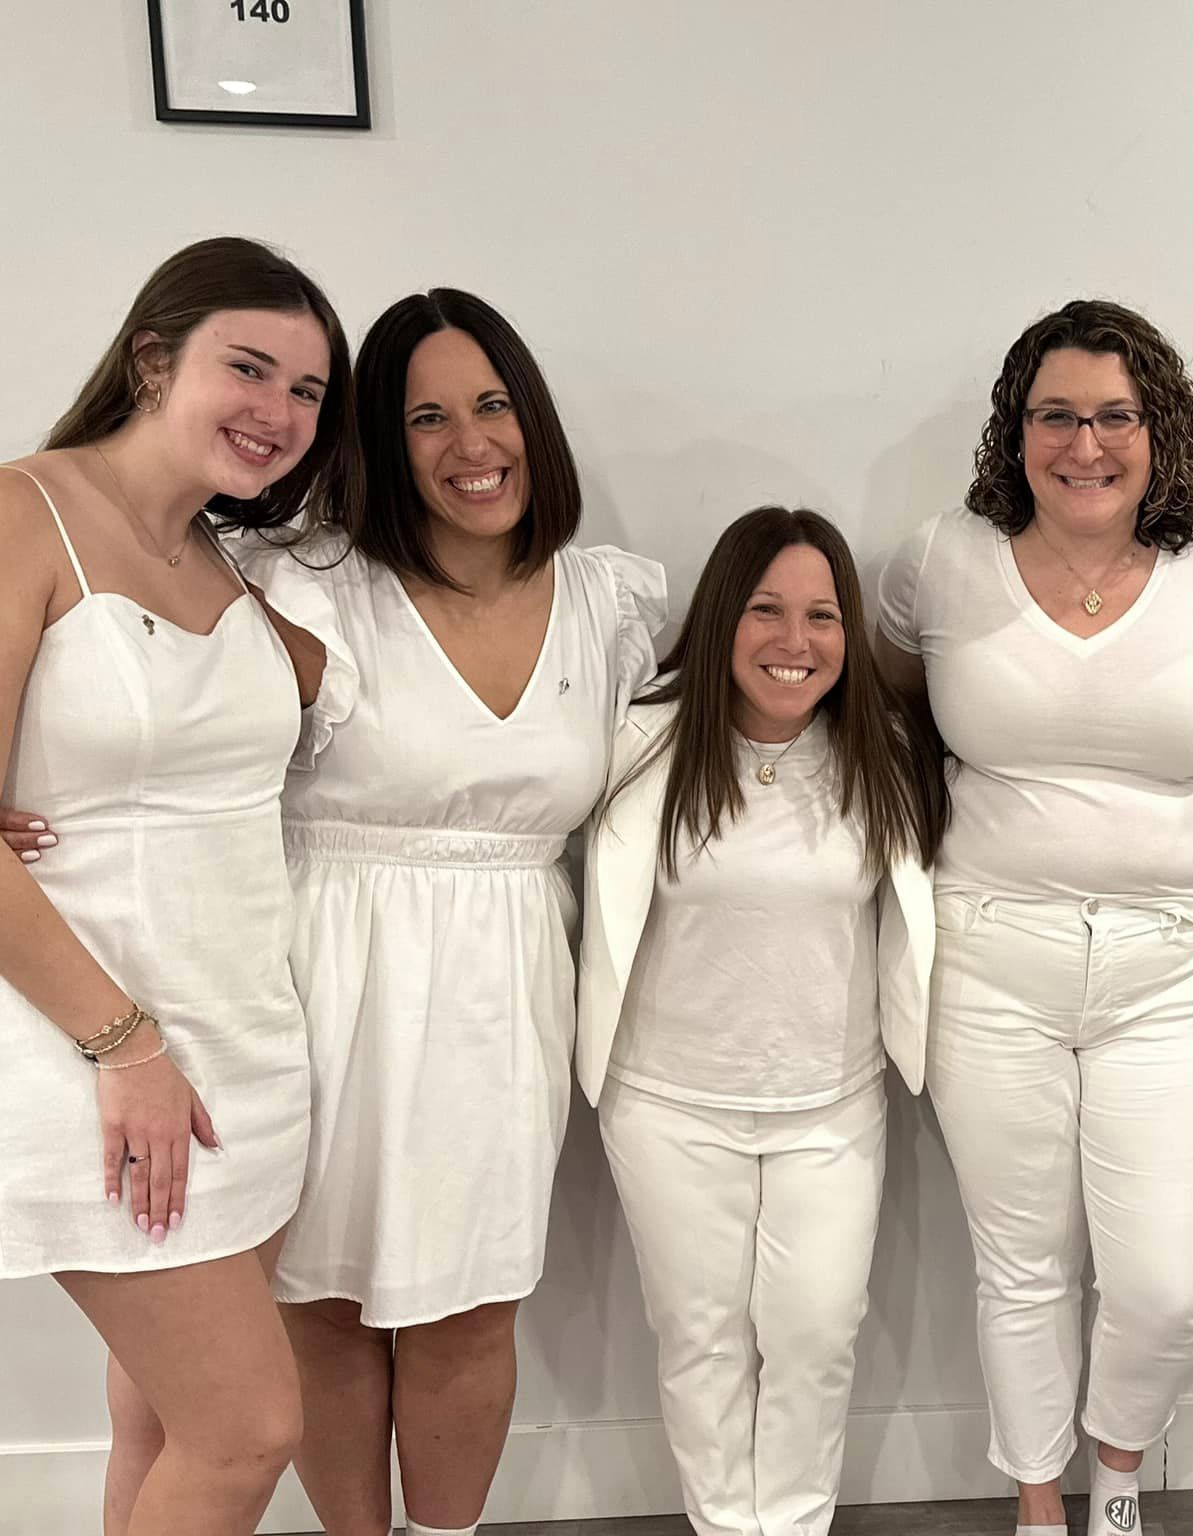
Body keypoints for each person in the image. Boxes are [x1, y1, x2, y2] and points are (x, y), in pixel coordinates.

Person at [219, 290, 662, 1536]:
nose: (471, 443)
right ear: (377, 439)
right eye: (426, 417)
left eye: (492, 404)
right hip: (316, 972)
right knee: (322, 1300)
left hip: (502, 985)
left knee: (469, 1308)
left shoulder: (609, 605)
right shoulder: (304, 588)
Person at [876, 298, 1193, 1536]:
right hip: (989, 951)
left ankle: (1118, 1481)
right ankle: (1039, 1504)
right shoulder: (937, 558)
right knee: (1023, 1266)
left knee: (1164, 1285)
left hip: (1166, 962)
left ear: (1159, 430)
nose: (1085, 443)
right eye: (1055, 415)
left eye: (1115, 415)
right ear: (1017, 432)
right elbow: (892, 727)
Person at [0, 236, 356, 1536]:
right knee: (248, 1427)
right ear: (153, 359)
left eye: (309, 392)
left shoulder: (224, 561)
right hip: (100, 1055)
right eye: (247, 368)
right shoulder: (21, 511)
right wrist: (125, 1044)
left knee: (160, 1418)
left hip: (245, 1047)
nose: (279, 413)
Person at [578, 505, 947, 1536]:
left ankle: (788, 1525)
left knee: (817, 1334)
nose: (795, 643)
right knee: (696, 1339)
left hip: (828, 1107)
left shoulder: (882, 754)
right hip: (666, 1104)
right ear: (719, 619)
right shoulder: (637, 747)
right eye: (766, 611)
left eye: (822, 616)